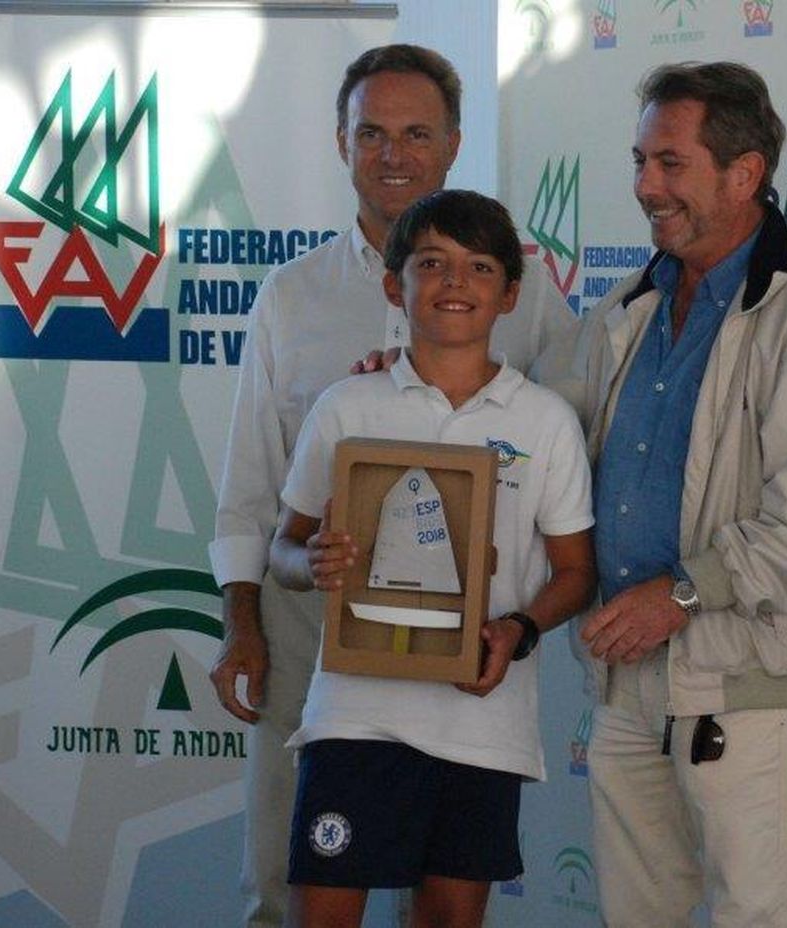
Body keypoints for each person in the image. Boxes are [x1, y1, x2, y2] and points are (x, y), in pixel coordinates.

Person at [206, 44, 575, 928]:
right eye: (371, 133)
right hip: (314, 640)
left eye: (416, 133)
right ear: (342, 142)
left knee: (442, 900)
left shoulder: (527, 294)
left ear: (453, 144)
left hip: (465, 650)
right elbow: (253, 483)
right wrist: (242, 624)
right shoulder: (290, 297)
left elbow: (565, 461)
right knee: (283, 880)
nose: (394, 154)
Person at [566, 61, 787, 927]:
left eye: (669, 163)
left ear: (744, 175)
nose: (644, 186)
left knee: (754, 918)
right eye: (639, 160)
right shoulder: (625, 310)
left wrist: (677, 595)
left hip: (738, 689)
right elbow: (532, 430)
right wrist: (411, 379)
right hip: (625, 680)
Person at [269, 189, 594, 928]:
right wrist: (310, 559)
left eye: (479, 267)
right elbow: (285, 550)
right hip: (355, 719)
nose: (455, 283)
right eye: (432, 263)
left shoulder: (544, 421)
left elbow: (576, 572)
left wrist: (518, 630)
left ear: (511, 294)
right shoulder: (347, 404)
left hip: (482, 727)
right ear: (395, 284)